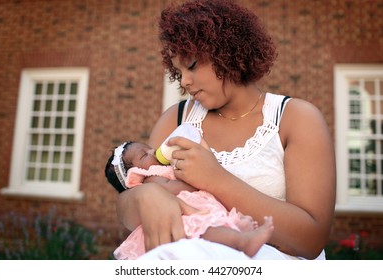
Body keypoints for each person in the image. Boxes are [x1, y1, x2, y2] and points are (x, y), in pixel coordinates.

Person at [115, 0, 336, 260]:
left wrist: (216, 179)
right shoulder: (175, 119)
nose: (184, 81)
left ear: (227, 52)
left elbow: (311, 239)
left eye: (193, 65)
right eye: (179, 71)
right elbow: (130, 206)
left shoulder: (295, 118)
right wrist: (145, 197)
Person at [105, 141, 274, 260]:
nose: (152, 151)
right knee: (203, 229)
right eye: (144, 155)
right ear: (134, 172)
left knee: (210, 226)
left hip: (196, 209)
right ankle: (241, 241)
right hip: (182, 217)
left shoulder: (162, 169)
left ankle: (235, 230)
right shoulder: (151, 179)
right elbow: (175, 189)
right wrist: (197, 180)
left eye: (149, 149)